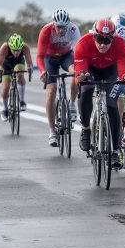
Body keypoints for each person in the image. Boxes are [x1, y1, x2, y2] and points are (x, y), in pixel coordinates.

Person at [74, 18, 125, 171]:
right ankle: (86, 128)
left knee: (112, 104)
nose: (102, 44)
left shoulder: (120, 45)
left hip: (110, 71)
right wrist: (80, 76)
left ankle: (114, 151)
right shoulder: (83, 43)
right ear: (93, 36)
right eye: (99, 39)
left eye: (107, 41)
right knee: (85, 90)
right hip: (91, 69)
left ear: (113, 38)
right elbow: (80, 69)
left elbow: (123, 70)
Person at [36, 9, 82, 147]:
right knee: (51, 91)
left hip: (66, 57)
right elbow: (39, 56)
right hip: (49, 59)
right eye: (58, 27)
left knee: (76, 72)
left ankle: (72, 104)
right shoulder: (46, 31)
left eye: (64, 27)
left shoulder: (73, 30)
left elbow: (79, 53)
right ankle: (52, 131)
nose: (61, 31)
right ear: (53, 25)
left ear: (68, 25)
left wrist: (79, 71)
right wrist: (43, 71)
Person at [0, 33, 34, 121]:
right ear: (10, 47)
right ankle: (5, 109)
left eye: (18, 50)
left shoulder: (25, 47)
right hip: (6, 65)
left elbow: (29, 62)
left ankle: (22, 101)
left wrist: (29, 68)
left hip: (18, 63)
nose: (16, 52)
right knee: (5, 88)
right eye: (14, 50)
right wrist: (0, 69)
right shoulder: (5, 47)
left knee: (20, 75)